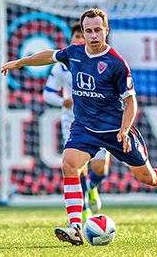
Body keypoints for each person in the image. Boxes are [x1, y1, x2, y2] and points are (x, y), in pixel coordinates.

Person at [1, 8, 157, 246]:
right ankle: (75, 227)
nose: (93, 36)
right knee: (69, 165)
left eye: (97, 30)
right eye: (88, 31)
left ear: (106, 31)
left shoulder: (116, 63)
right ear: (83, 32)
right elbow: (49, 55)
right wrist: (20, 62)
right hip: (84, 128)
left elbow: (130, 101)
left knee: (146, 176)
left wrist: (124, 129)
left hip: (114, 130)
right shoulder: (73, 53)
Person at [42, 22, 108, 222]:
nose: (80, 40)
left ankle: (91, 188)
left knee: (99, 170)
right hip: (73, 121)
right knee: (75, 165)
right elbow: (47, 94)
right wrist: (63, 101)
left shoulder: (102, 61)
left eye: (83, 36)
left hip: (99, 120)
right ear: (71, 40)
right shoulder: (62, 65)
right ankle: (84, 209)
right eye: (77, 36)